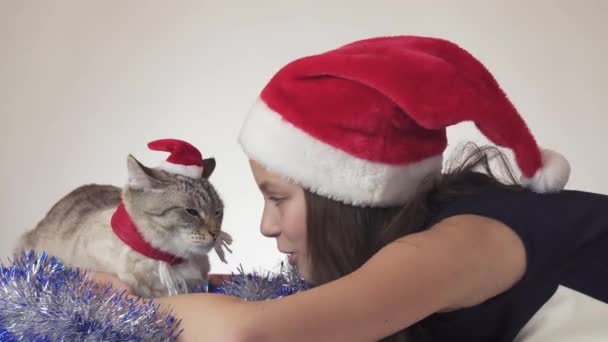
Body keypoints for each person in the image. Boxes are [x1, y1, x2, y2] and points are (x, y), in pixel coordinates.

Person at [93, 35, 608, 341]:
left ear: (343, 197)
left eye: (277, 199)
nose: (265, 226)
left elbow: (249, 333)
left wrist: (122, 305)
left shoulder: (447, 248)